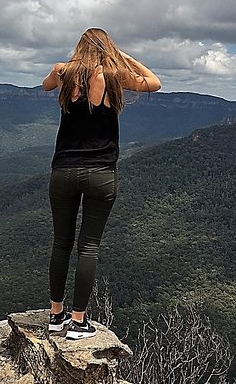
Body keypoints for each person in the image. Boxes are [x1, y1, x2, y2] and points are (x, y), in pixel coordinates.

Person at [42, 28, 161, 339]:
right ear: (107, 49)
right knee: (89, 246)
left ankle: (56, 315)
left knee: (60, 243)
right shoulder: (113, 75)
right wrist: (122, 57)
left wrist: (64, 70)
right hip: (101, 173)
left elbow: (45, 86)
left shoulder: (63, 72)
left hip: (64, 171)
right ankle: (78, 322)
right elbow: (155, 83)